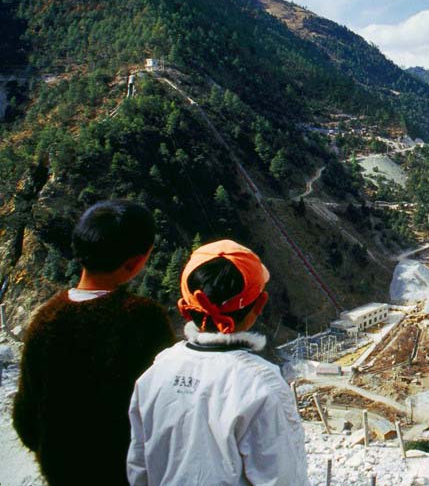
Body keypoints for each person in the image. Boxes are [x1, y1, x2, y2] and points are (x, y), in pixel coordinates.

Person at [13, 200, 175, 486]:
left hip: (63, 474)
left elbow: (26, 420)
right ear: (136, 262)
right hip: (129, 476)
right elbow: (169, 412)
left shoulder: (45, 319)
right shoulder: (143, 320)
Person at [128, 240, 308, 485]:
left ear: (185, 309)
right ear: (260, 304)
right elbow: (284, 479)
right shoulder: (262, 384)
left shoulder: (156, 372)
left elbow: (139, 467)